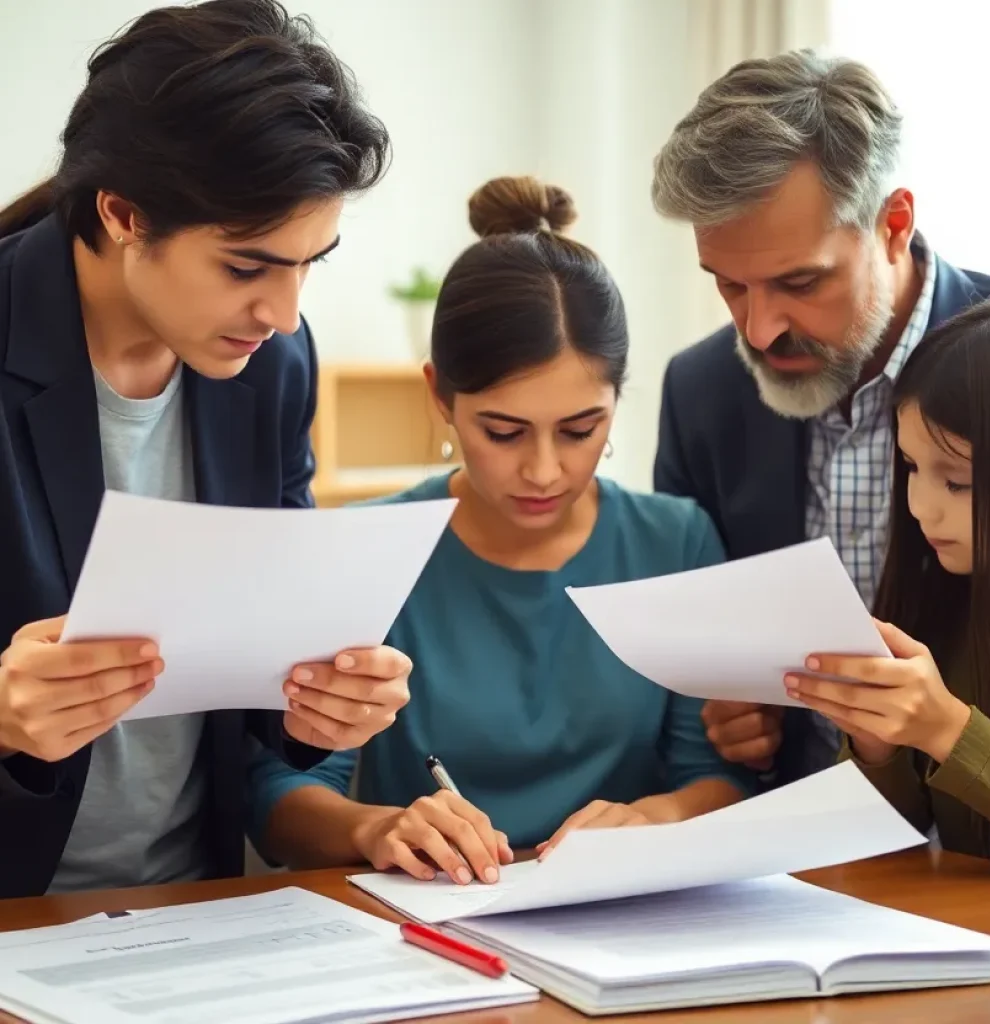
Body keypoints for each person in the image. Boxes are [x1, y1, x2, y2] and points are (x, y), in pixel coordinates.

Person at [0, 0, 411, 900]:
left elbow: (270, 680)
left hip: (192, 908)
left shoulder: (274, 366)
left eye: (313, 262)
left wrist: (326, 705)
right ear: (122, 215)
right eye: (247, 266)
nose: (286, 314)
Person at [246, 176, 755, 885]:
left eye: (581, 429)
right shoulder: (362, 549)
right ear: (439, 397)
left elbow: (723, 775)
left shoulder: (678, 542)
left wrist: (654, 820)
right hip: (430, 923)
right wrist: (381, 826)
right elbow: (279, 796)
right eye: (504, 431)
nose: (544, 470)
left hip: (627, 918)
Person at [649, 49, 990, 787]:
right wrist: (732, 708)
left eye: (799, 281)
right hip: (790, 854)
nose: (757, 330)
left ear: (894, 224)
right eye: (728, 286)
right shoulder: (701, 391)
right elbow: (700, 648)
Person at [784, 295, 990, 860]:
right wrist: (877, 743)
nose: (920, 507)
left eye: (958, 482)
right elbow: (882, 841)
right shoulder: (945, 600)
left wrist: (949, 731)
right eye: (912, 468)